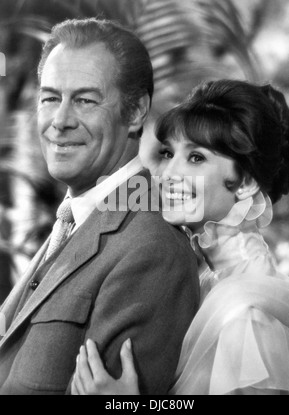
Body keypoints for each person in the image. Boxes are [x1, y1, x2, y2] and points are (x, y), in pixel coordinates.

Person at [0, 18, 200, 395]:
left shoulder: (150, 246)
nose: (59, 121)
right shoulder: (77, 217)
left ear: (136, 111)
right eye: (50, 98)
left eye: (85, 100)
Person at [71, 79, 289, 395]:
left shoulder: (248, 316)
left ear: (245, 182)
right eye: (168, 153)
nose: (168, 174)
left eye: (196, 158)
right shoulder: (209, 281)